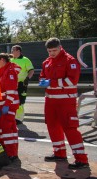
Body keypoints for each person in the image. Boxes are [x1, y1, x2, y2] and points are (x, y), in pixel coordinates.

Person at [39, 37, 89, 169]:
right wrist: (43, 81)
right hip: (50, 101)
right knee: (53, 127)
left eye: (54, 50)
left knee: (70, 128)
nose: (52, 53)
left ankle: (81, 159)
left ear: (60, 47)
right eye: (49, 51)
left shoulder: (70, 60)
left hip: (65, 101)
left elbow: (72, 80)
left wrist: (52, 83)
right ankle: (59, 153)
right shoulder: (47, 62)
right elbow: (42, 76)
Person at [0, 53, 20, 163]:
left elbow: (11, 91)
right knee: (9, 129)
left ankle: (11, 153)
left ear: (2, 60)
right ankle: (11, 152)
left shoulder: (9, 71)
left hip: (8, 105)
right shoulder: (3, 70)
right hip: (3, 104)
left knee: (6, 130)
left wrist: (6, 106)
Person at [10, 45, 34, 124]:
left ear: (18, 51)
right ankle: (13, 116)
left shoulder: (25, 60)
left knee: (20, 101)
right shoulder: (11, 60)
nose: (11, 52)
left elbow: (31, 70)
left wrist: (27, 78)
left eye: (13, 50)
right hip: (12, 84)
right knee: (12, 100)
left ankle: (19, 118)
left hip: (21, 84)